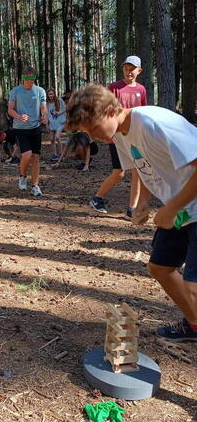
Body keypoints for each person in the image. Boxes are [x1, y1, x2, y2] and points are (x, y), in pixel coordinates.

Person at [67, 84, 197, 342]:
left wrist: (170, 208)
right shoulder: (120, 135)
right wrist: (143, 202)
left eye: (93, 128)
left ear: (110, 109)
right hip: (184, 210)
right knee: (160, 267)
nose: (92, 137)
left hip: (186, 208)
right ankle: (194, 325)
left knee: (194, 288)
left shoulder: (153, 123)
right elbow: (141, 167)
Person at [89, 56, 147, 219]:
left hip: (134, 137)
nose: (128, 72)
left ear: (139, 71)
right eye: (126, 69)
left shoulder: (141, 89)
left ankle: (131, 210)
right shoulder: (114, 88)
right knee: (119, 173)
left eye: (132, 69)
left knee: (138, 172)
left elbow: (142, 113)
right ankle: (97, 198)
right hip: (117, 137)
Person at [8, 67, 48, 196]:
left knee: (36, 157)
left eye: (32, 79)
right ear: (23, 79)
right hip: (20, 128)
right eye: (27, 79)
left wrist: (45, 117)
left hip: (35, 128)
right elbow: (10, 110)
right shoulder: (15, 91)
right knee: (27, 155)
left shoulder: (40, 91)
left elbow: (44, 108)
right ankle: (22, 175)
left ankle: (35, 186)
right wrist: (19, 116)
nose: (30, 82)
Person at [46, 88, 66, 162]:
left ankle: (61, 154)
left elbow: (65, 109)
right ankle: (54, 155)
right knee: (52, 139)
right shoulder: (47, 103)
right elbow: (47, 114)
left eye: (52, 94)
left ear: (54, 94)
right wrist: (46, 125)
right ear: (47, 95)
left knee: (57, 137)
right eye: (49, 94)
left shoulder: (59, 100)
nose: (51, 95)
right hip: (51, 123)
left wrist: (59, 113)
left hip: (59, 122)